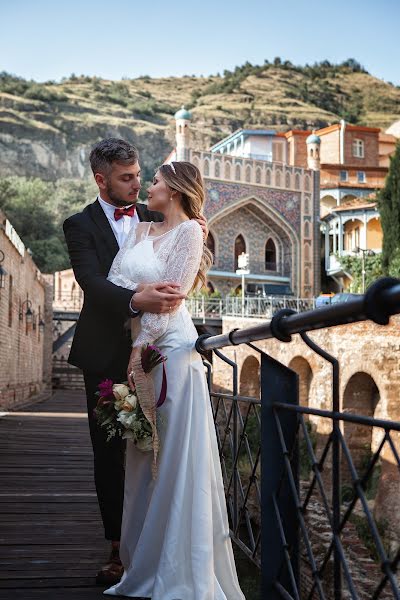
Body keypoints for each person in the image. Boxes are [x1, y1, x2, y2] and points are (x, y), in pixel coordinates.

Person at [63, 139, 206, 585]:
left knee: (152, 447)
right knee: (108, 451)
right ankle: (116, 548)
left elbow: (185, 252)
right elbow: (90, 281)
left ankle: (151, 543)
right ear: (100, 179)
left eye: (141, 175)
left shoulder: (155, 216)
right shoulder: (79, 224)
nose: (137, 184)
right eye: (126, 178)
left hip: (155, 348)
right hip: (103, 350)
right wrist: (135, 300)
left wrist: (201, 228)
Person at [103, 161, 245, 599]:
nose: (150, 187)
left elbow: (171, 300)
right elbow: (115, 281)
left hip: (170, 353)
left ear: (177, 190)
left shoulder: (189, 233)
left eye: (158, 182)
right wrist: (136, 316)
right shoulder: (142, 231)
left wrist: (136, 352)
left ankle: (178, 567)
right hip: (138, 350)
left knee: (174, 456)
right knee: (143, 456)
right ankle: (141, 562)